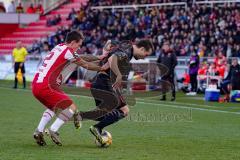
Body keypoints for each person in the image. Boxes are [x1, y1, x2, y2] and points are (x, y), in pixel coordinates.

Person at [32, 30, 106, 146]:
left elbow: (81, 57)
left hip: (36, 84)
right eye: (78, 45)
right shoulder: (68, 51)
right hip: (47, 85)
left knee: (53, 107)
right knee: (71, 107)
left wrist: (99, 57)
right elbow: (84, 64)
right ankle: (54, 130)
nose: (79, 47)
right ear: (72, 42)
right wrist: (102, 69)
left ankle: (39, 131)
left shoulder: (59, 47)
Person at [74, 39, 154, 144]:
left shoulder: (125, 44)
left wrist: (105, 50)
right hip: (105, 82)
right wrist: (119, 74)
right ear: (142, 49)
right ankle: (97, 128)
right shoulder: (127, 51)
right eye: (146, 54)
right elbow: (112, 59)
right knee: (124, 110)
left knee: (103, 113)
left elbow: (109, 41)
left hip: (98, 82)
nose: (145, 57)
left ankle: (81, 115)